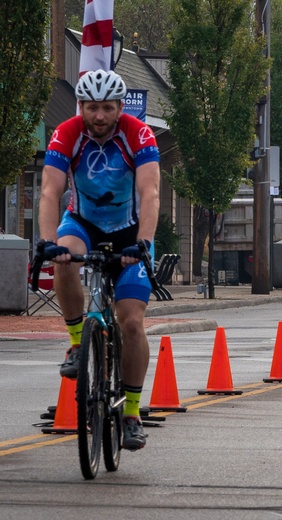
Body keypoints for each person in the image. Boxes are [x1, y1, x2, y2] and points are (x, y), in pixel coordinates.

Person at [38, 69, 161, 451]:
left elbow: (151, 193)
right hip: (84, 222)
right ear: (82, 106)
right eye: (92, 108)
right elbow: (48, 192)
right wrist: (46, 242)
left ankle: (131, 414)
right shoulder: (67, 133)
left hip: (130, 231)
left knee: (132, 324)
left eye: (108, 108)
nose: (100, 117)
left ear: (120, 108)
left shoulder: (139, 134)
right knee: (63, 256)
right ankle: (78, 343)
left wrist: (141, 243)